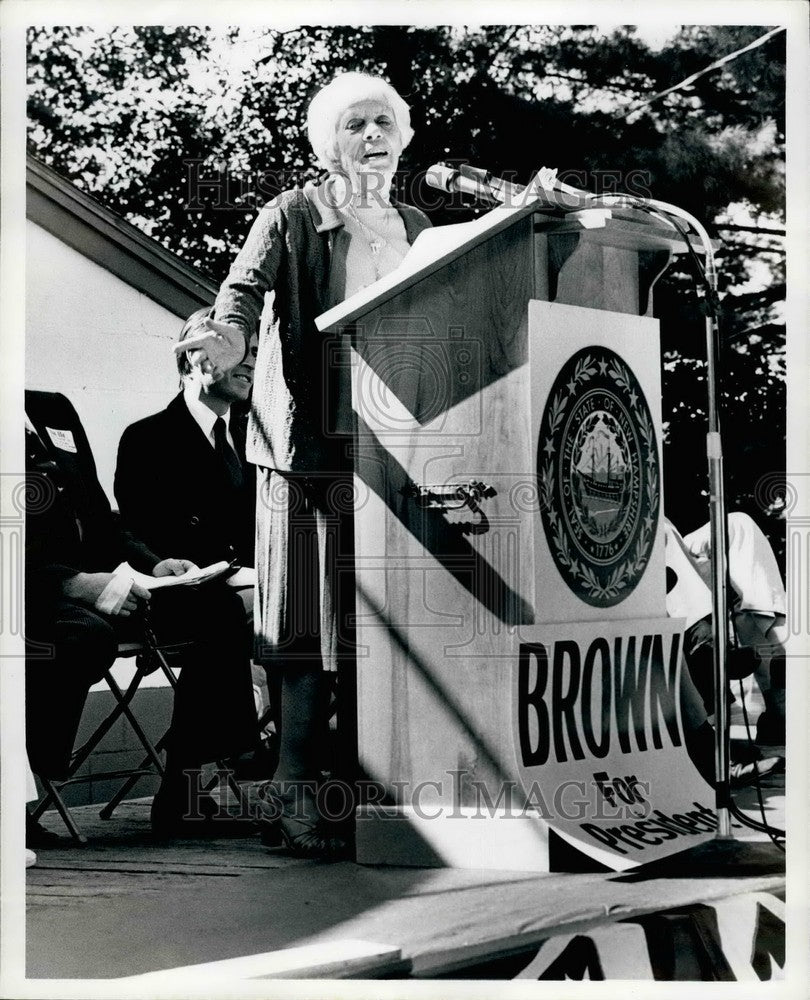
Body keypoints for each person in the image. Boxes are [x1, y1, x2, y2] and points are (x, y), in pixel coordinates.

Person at [176, 72, 432, 858]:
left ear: (403, 136)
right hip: (308, 449)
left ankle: (371, 795)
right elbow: (242, 292)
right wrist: (225, 341)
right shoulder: (294, 212)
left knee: (380, 631)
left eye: (384, 121)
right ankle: (292, 795)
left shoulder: (418, 222)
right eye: (354, 124)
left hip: (400, 449)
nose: (372, 135)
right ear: (330, 143)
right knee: (304, 632)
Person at [24, 390, 258, 840]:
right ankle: (24, 789)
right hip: (30, 593)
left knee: (215, 609)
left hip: (105, 585)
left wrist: (154, 564)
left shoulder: (51, 408)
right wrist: (71, 583)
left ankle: (181, 793)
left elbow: (97, 514)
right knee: (84, 637)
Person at [665, 512, 787, 746]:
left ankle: (778, 703)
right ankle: (703, 643)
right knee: (661, 526)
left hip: (681, 566)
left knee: (738, 525)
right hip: (668, 560)